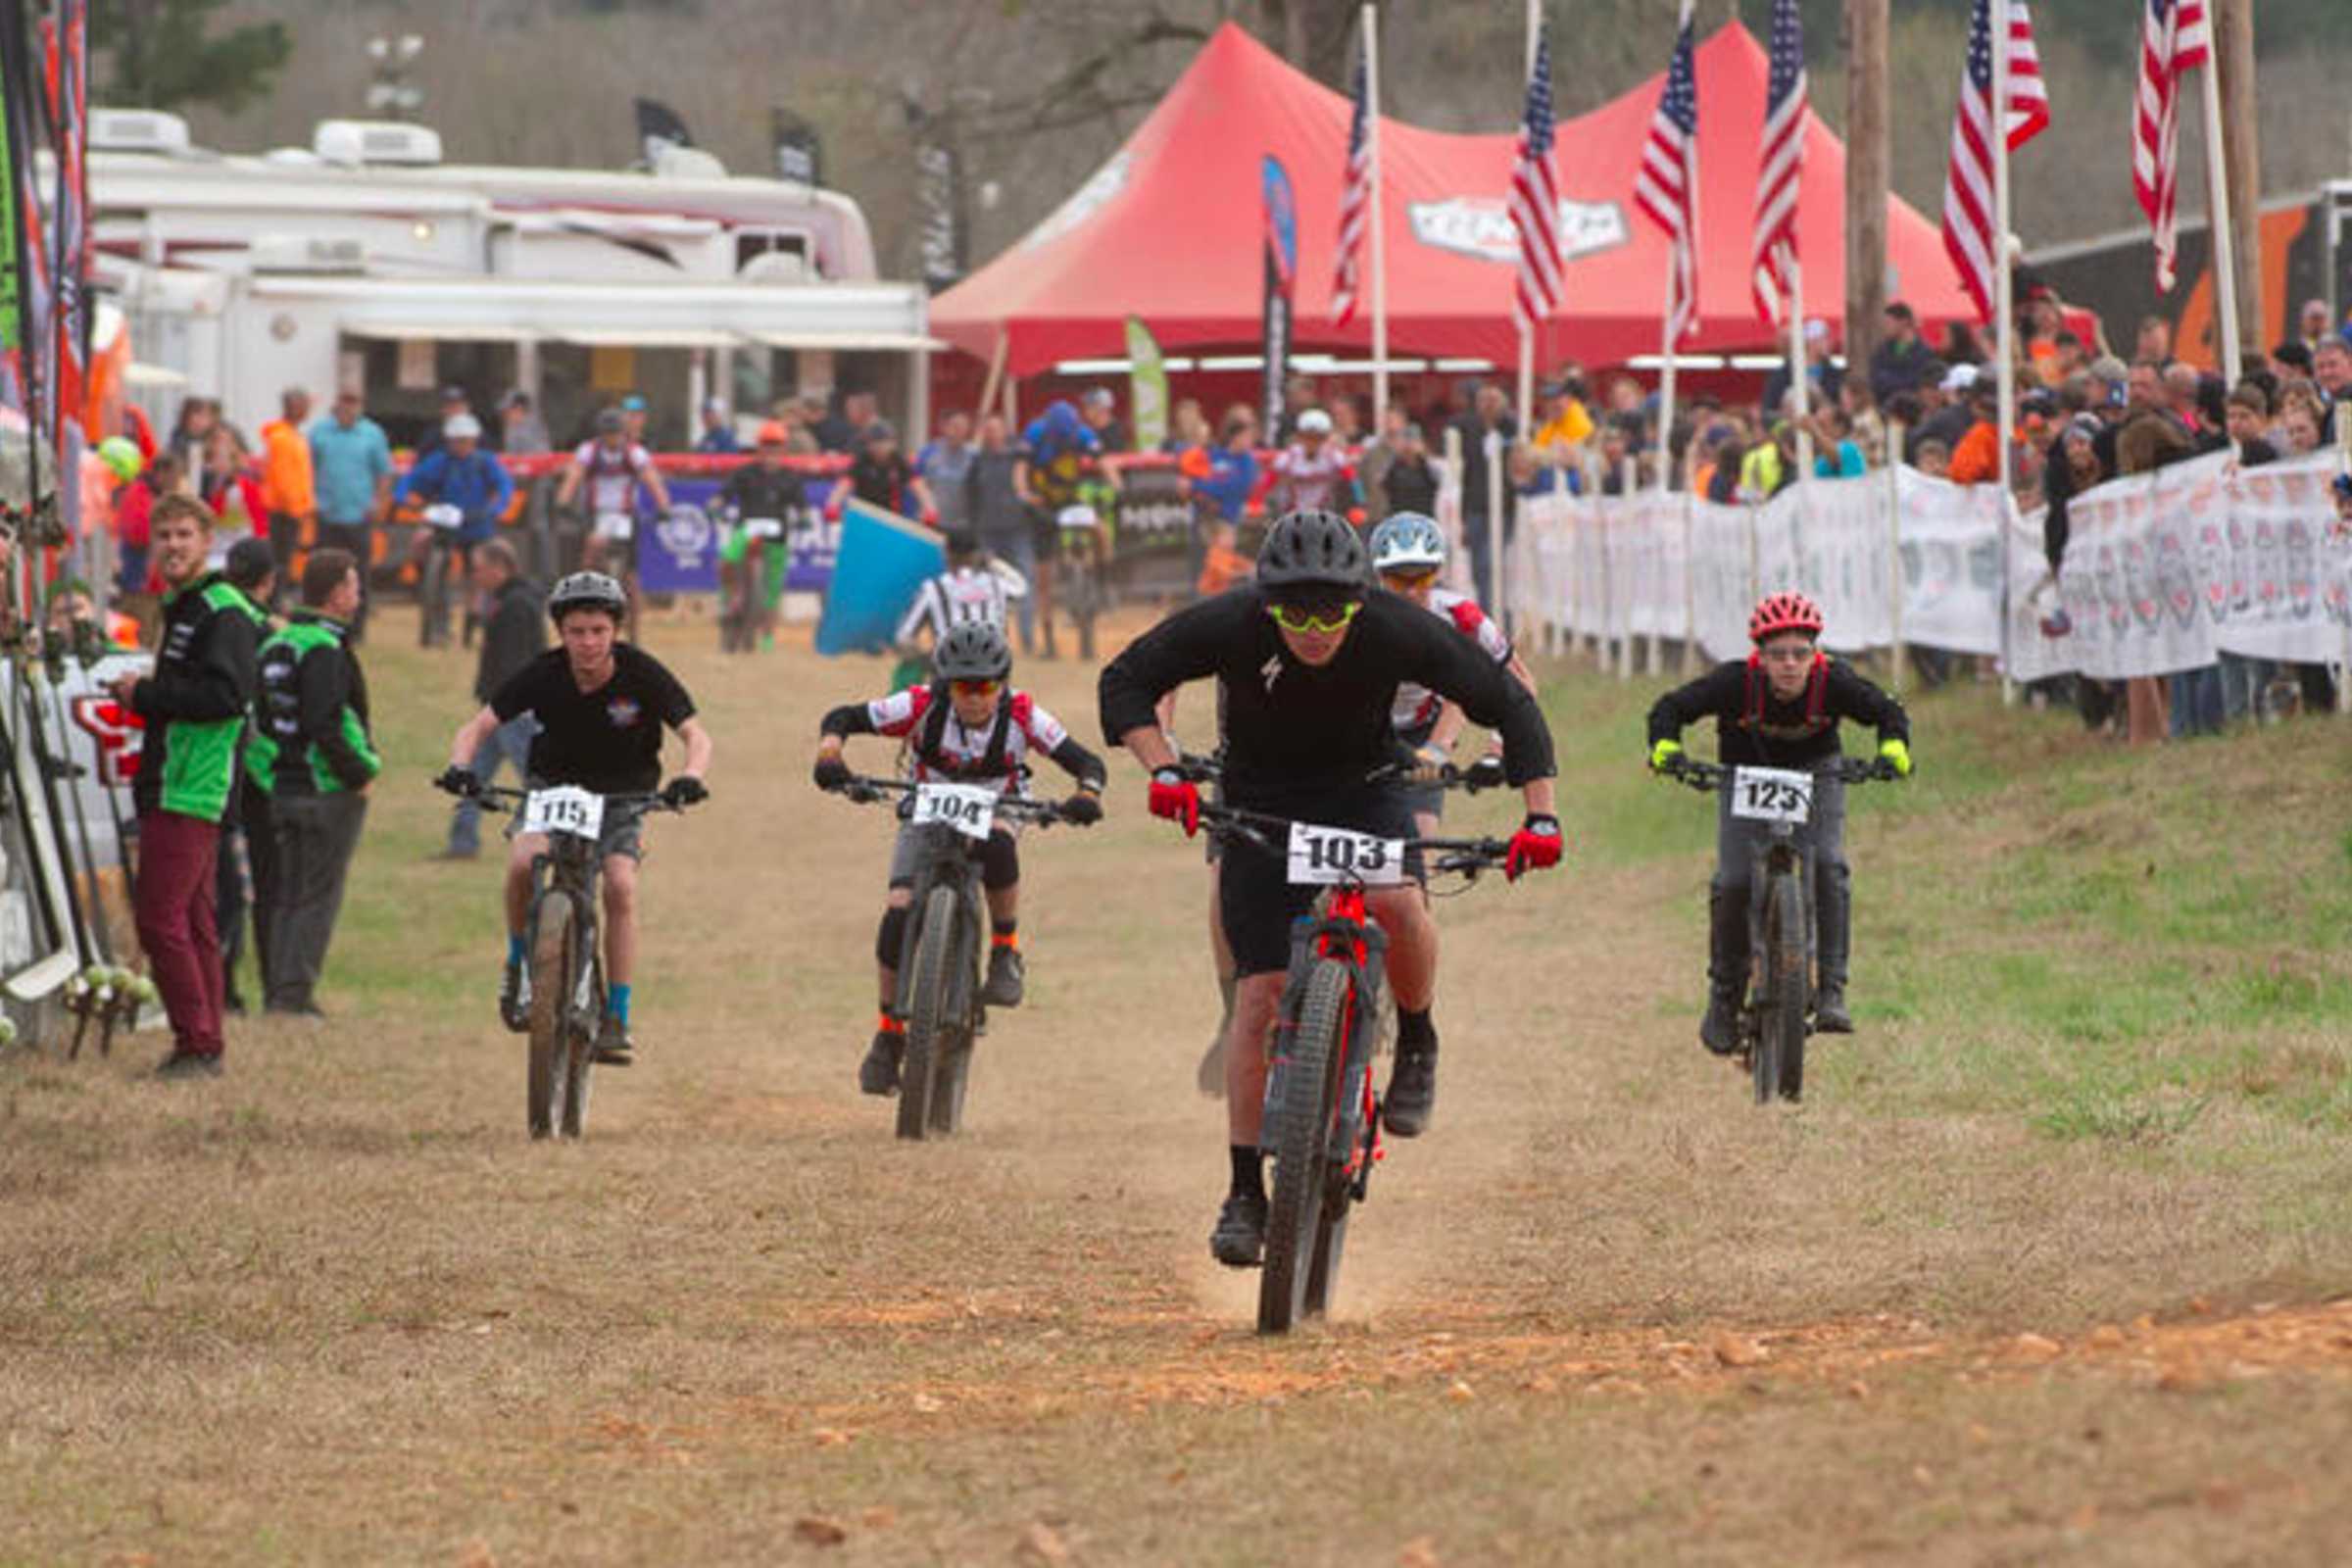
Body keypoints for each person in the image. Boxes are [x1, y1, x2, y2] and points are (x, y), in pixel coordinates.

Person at [1098, 510, 1561, 1267]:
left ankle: (1417, 1038)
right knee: (1260, 995)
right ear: (1266, 600)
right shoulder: (1233, 621)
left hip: (1364, 788)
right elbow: (1125, 680)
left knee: (1403, 905)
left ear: (1361, 598)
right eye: (1293, 612)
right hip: (1261, 796)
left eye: (1332, 611)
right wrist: (1165, 769)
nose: (1313, 629)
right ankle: (1245, 1189)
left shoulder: (1396, 628)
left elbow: (1508, 701)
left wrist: (1540, 818)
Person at [813, 622, 1107, 1094]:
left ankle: (1005, 950)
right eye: (963, 687)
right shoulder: (920, 705)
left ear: (1003, 683)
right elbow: (842, 717)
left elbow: (1088, 763)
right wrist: (830, 755)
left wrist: (1087, 794)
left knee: (997, 842)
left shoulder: (1025, 715)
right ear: (945, 684)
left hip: (999, 807)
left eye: (986, 685)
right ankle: (888, 1035)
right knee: (896, 910)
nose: (974, 698)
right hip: (927, 806)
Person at [437, 571, 712, 1063]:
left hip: (623, 794)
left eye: (598, 631)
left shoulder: (642, 673)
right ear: (560, 633)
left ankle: (618, 1015)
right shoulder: (543, 672)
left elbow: (696, 735)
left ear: (616, 632)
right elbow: (478, 726)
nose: (587, 642)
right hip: (553, 786)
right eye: (576, 632)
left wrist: (690, 776)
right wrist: (460, 766)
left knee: (620, 886)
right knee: (524, 863)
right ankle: (520, 963)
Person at [1645, 591, 1912, 1054]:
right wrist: (1665, 747)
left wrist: (1894, 748)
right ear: (1759, 656)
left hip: (1817, 776)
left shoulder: (1834, 682)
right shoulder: (1733, 683)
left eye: (1800, 653)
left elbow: (1888, 712)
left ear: (1816, 654)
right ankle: (1724, 997)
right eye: (1777, 654)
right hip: (1743, 779)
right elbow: (1669, 708)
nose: (1790, 664)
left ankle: (1832, 989)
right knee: (1731, 881)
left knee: (1829, 863)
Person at [112, 494, 262, 1078]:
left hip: (192, 786)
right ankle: (204, 1043)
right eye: (164, 535)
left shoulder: (220, 610)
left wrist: (142, 695)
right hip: (177, 781)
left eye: (184, 535)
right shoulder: (187, 605)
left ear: (207, 541)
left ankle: (196, 1045)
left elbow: (227, 698)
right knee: (194, 922)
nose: (172, 545)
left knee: (158, 920)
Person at [250, 549, 379, 1017]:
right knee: (317, 896)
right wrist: (359, 772)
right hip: (324, 789)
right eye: (355, 585)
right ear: (338, 592)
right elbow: (325, 722)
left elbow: (262, 716)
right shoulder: (324, 648)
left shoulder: (277, 643)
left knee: (286, 892)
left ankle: (277, 989)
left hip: (282, 786)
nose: (359, 594)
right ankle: (294, 995)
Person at [1369, 514, 1538, 838]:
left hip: (1426, 734)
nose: (1410, 592)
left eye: (1422, 579)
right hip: (1365, 731)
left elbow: (1521, 686)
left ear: (1438, 574)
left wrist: (1496, 754)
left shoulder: (1460, 615)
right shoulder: (1357, 614)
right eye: (1397, 581)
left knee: (1421, 841)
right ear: (1378, 575)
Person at [439, 539, 545, 859]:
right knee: (473, 774)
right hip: (497, 710)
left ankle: (544, 840)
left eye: (479, 569)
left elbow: (517, 665)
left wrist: (501, 707)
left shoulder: (517, 605)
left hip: (511, 713)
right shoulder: (506, 600)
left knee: (538, 783)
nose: (475, 576)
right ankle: (462, 843)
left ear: (501, 567)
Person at [215, 538, 278, 1016]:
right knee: (247, 890)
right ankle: (232, 988)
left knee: (225, 887)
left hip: (217, 772)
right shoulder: (264, 631)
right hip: (251, 777)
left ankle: (226, 987)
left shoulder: (210, 615)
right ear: (269, 582)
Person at [398, 413, 514, 648]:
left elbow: (504, 485)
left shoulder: (485, 461)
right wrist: (403, 497)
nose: (460, 445)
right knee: (423, 543)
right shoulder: (439, 462)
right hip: (445, 523)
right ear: (448, 441)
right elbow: (409, 480)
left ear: (474, 441)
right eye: (455, 440)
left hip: (477, 524)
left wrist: (498, 506)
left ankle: (473, 625)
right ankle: (429, 595)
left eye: (465, 440)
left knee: (480, 571)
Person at [555, 408, 671, 619]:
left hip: (625, 514)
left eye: (616, 433)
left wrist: (664, 507)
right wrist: (563, 502)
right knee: (590, 552)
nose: (612, 438)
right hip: (596, 513)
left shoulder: (635, 453)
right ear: (601, 434)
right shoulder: (588, 451)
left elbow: (652, 479)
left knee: (632, 575)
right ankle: (585, 595)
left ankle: (634, 620)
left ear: (623, 433)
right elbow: (574, 476)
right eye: (608, 433)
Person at [307, 387, 393, 641]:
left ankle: (356, 631)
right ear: (337, 404)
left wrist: (379, 503)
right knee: (322, 574)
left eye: (354, 402)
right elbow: (307, 468)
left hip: (359, 515)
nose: (349, 406)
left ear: (362, 405)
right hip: (327, 514)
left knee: (359, 575)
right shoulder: (320, 432)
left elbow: (384, 472)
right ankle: (320, 623)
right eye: (345, 401)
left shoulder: (373, 434)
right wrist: (310, 500)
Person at [713, 420, 804, 654]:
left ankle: (767, 638)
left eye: (776, 447)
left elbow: (801, 504)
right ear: (759, 448)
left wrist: (804, 517)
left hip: (777, 535)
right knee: (727, 558)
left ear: (783, 450)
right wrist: (715, 504)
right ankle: (729, 594)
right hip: (747, 530)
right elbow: (724, 495)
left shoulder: (790, 477)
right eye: (766, 446)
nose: (771, 452)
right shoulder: (744, 473)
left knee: (773, 590)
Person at [896, 531, 1027, 668]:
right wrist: (992, 562)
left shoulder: (933, 589)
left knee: (907, 668)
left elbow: (903, 637)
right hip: (994, 674)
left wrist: (925, 659)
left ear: (946, 554)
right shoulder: (996, 584)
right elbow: (1021, 587)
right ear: (976, 554)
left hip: (949, 675)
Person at [966, 414, 1037, 651]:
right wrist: (974, 532)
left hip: (1018, 529)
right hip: (987, 532)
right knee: (987, 590)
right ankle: (991, 641)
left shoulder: (1019, 456)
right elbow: (971, 496)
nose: (991, 433)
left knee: (1025, 583)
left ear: (1005, 431)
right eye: (987, 429)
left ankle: (1027, 639)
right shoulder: (978, 461)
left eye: (996, 429)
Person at [258, 388, 316, 588]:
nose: (308, 410)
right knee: (280, 561)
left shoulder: (291, 435)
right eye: (306, 405)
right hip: (283, 512)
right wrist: (296, 509)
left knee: (286, 561)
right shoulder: (281, 438)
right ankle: (275, 600)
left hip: (291, 510)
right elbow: (284, 479)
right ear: (294, 407)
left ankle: (278, 597)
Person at [826, 419, 935, 521]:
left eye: (884, 442)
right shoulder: (862, 461)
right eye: (874, 442)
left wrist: (929, 510)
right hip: (864, 516)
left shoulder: (899, 462)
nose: (879, 447)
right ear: (868, 444)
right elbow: (844, 485)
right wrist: (833, 506)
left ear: (893, 443)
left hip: (891, 519)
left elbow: (919, 487)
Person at [1265, 408, 1355, 516]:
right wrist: (1256, 503)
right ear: (1299, 436)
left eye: (1318, 438)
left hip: (1324, 514)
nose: (1312, 443)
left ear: (1325, 438)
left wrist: (1360, 505)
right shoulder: (1288, 458)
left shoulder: (1334, 457)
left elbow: (1353, 480)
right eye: (1308, 437)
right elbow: (1267, 482)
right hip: (1290, 514)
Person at [916, 410, 979, 535]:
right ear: (944, 427)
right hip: (934, 523)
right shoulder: (929, 451)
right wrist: (926, 509)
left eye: (964, 427)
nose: (960, 431)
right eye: (955, 426)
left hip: (964, 526)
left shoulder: (975, 454)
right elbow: (917, 482)